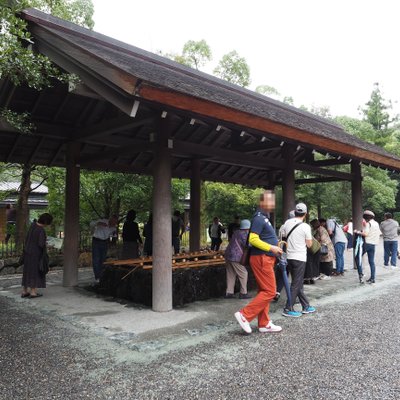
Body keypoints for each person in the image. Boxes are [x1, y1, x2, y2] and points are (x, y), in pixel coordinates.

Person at [234, 190, 283, 334]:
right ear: (262, 202)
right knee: (270, 291)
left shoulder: (263, 217)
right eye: (269, 200)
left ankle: (264, 323)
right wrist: (272, 247)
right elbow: (253, 239)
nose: (272, 203)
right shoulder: (259, 218)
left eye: (272, 200)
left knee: (264, 290)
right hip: (262, 257)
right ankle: (244, 315)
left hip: (265, 257)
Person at [280, 203, 316, 318]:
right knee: (296, 283)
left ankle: (306, 306)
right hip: (300, 257)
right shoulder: (305, 226)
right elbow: (309, 244)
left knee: (297, 282)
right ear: (305, 214)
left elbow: (283, 236)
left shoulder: (287, 223)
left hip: (289, 257)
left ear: (295, 212)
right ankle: (288, 308)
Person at [21, 213, 53, 298]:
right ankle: (33, 292)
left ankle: (24, 291)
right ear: (46, 222)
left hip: (27, 252)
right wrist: (48, 244)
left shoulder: (33, 226)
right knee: (35, 272)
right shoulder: (41, 230)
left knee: (27, 271)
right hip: (36, 254)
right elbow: (41, 244)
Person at [223, 219, 251, 299]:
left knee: (231, 274)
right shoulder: (244, 234)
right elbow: (248, 245)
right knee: (243, 273)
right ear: (247, 227)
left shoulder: (236, 232)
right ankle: (243, 293)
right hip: (236, 256)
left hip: (228, 255)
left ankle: (229, 292)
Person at [355, 210, 381, 283]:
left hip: (367, 243)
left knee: (357, 257)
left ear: (366, 217)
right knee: (371, 261)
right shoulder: (376, 223)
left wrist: (357, 232)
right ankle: (372, 278)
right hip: (373, 244)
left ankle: (361, 274)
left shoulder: (368, 223)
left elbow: (365, 234)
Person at [90, 215, 118, 281]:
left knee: (103, 260)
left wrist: (114, 234)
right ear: (110, 219)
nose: (113, 223)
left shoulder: (114, 228)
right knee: (96, 259)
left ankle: (101, 276)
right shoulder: (103, 221)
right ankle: (97, 277)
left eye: (115, 222)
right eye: (112, 221)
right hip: (96, 241)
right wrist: (98, 223)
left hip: (104, 242)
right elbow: (91, 224)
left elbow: (113, 236)